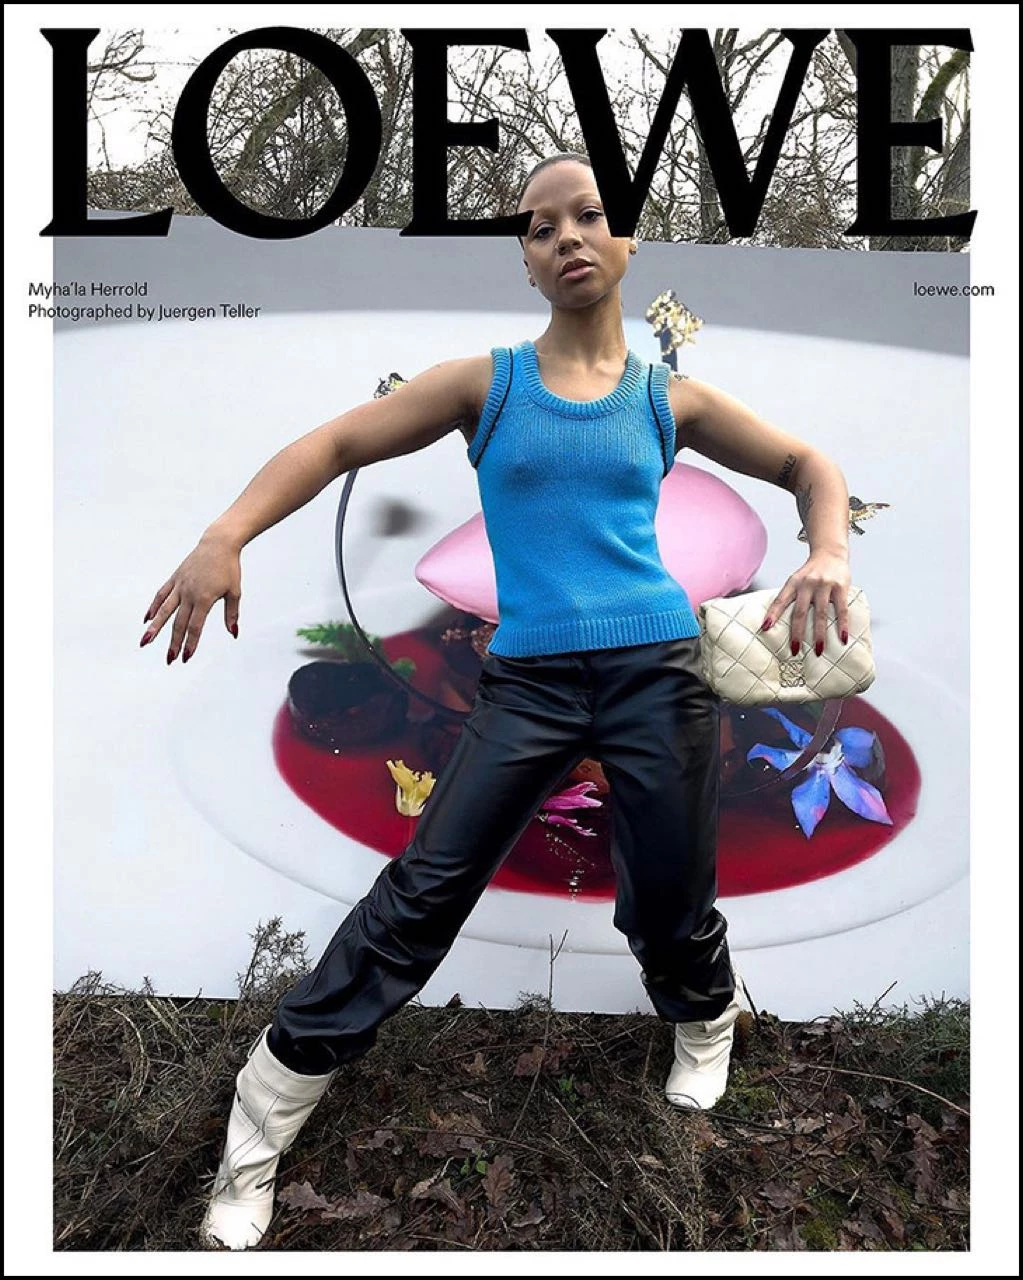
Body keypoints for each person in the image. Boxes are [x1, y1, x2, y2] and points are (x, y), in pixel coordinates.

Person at [140, 153, 853, 1251]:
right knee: (420, 897)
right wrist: (223, 533)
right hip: (529, 683)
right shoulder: (489, 385)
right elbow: (334, 442)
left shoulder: (668, 398)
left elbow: (808, 462)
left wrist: (828, 549)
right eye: (539, 226)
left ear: (626, 241)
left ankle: (704, 1018)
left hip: (658, 673)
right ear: (525, 260)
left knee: (667, 900)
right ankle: (258, 1127)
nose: (566, 236)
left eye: (589, 216)